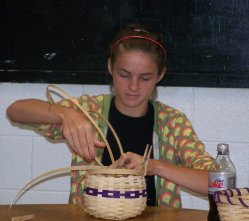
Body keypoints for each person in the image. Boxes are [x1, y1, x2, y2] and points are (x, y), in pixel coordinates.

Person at [6, 24, 213, 208]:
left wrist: (154, 166)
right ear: (110, 68)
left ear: (160, 75)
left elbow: (217, 184)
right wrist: (63, 114)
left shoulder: (172, 122)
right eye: (124, 74)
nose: (133, 86)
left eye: (145, 77)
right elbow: (15, 111)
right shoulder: (89, 111)